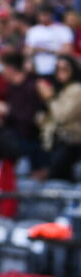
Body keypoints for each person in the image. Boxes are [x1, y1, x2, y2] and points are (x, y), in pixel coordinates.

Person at [37, 54, 81, 182]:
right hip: (53, 143)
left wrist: (49, 98)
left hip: (70, 144)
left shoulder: (77, 90)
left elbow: (62, 116)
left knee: (59, 181)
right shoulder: (60, 90)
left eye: (65, 68)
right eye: (57, 69)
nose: (60, 72)